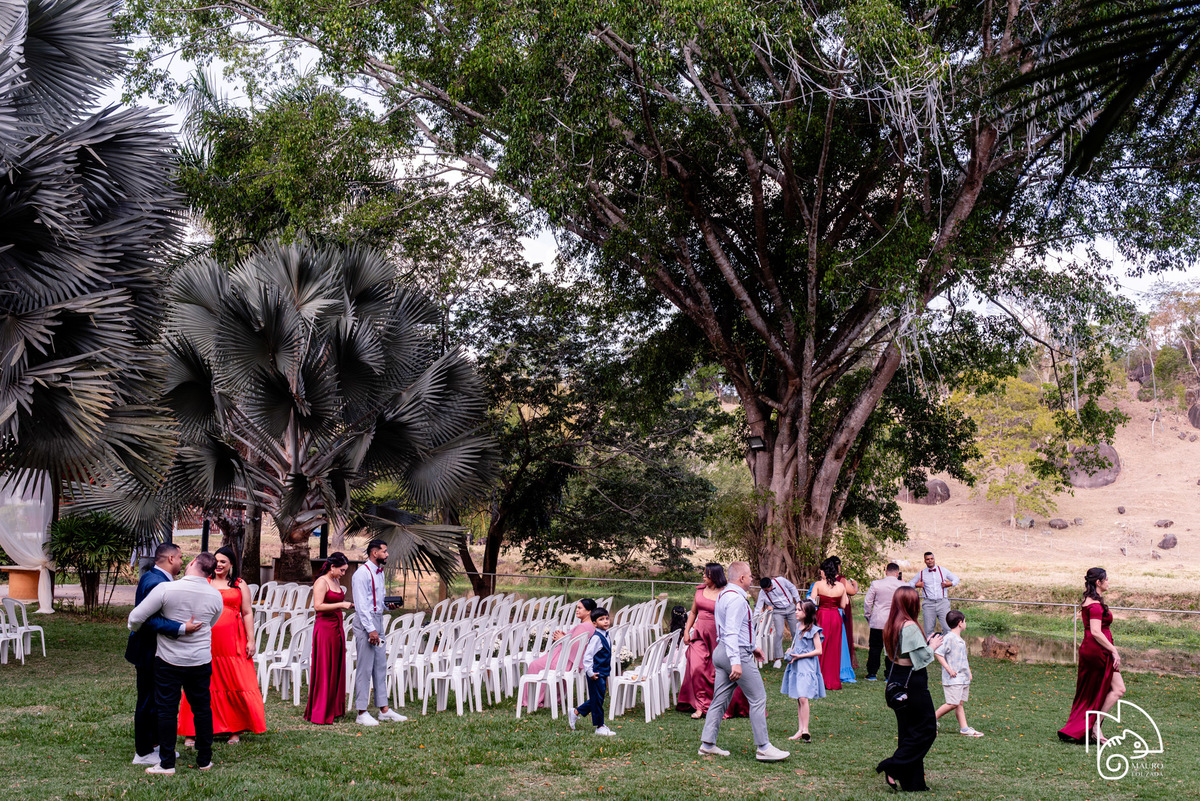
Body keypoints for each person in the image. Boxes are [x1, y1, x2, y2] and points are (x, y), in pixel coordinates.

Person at [127, 552, 224, 775]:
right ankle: (204, 760)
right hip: (200, 660)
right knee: (202, 709)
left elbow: (135, 617)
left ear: (192, 563)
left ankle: (167, 763)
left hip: (169, 661)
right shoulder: (215, 595)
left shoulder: (166, 589)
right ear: (210, 573)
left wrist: (136, 630)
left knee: (167, 710)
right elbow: (212, 622)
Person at [698, 561, 789, 763]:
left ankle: (707, 744)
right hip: (733, 654)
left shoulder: (723, 595)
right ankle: (764, 747)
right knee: (758, 698)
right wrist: (736, 661)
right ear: (741, 578)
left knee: (719, 700)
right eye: (749, 576)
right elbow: (730, 631)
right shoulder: (737, 600)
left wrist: (753, 647)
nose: (751, 579)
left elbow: (733, 629)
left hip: (721, 651)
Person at [179, 546, 266, 746]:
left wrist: (251, 639)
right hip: (206, 639)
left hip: (232, 641)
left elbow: (247, 612)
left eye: (223, 562)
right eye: (216, 561)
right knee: (200, 682)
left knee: (233, 681)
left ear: (232, 565)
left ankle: (234, 729)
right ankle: (192, 731)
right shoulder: (205, 582)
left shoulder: (239, 584)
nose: (219, 565)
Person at [125, 543, 198, 767]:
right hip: (148, 649)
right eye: (179, 558)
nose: (181, 561)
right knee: (147, 700)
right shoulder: (155, 581)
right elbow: (147, 619)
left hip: (156, 650)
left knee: (157, 699)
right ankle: (144, 751)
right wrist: (181, 628)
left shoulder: (159, 578)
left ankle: (156, 745)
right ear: (169, 559)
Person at [876, 586, 943, 792]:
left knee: (908, 731)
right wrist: (933, 645)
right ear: (911, 604)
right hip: (911, 682)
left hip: (896, 677)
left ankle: (913, 783)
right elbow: (921, 659)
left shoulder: (891, 624)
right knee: (927, 729)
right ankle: (893, 766)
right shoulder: (910, 626)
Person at [1059, 567, 1124, 744]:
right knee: (1114, 689)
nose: (1109, 582)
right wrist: (1113, 650)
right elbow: (1096, 631)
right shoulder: (1094, 605)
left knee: (1107, 690)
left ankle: (1094, 725)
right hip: (1097, 650)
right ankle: (1094, 725)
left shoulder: (1091, 601)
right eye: (1107, 579)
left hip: (1095, 649)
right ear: (1098, 582)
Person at [676, 563, 750, 719]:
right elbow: (693, 613)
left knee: (714, 672)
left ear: (715, 576)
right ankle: (700, 706)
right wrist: (686, 631)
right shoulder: (700, 591)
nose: (703, 576)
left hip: (717, 636)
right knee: (696, 667)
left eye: (706, 574)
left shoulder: (726, 593)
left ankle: (718, 705)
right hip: (699, 635)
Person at [351, 539, 406, 725]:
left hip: (378, 620)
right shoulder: (361, 574)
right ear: (375, 553)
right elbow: (361, 606)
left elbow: (376, 601)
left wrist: (387, 606)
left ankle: (384, 709)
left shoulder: (380, 573)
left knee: (381, 666)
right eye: (384, 551)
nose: (387, 554)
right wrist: (370, 629)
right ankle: (361, 712)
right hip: (366, 623)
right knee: (365, 667)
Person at [519, 598, 597, 709]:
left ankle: (531, 700)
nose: (577, 610)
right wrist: (565, 636)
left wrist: (562, 638)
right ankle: (548, 697)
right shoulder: (590, 626)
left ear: (589, 611)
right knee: (538, 664)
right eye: (577, 608)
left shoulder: (583, 626)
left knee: (534, 665)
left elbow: (574, 646)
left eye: (580, 608)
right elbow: (576, 641)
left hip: (564, 661)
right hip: (567, 660)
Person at [305, 552, 353, 724]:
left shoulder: (336, 580)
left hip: (337, 626)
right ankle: (321, 709)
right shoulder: (321, 582)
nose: (343, 573)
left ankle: (334, 707)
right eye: (341, 570)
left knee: (337, 665)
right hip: (325, 628)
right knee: (325, 666)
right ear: (332, 567)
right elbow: (318, 606)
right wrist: (341, 604)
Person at [780, 599, 824, 742]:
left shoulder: (814, 630)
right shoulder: (798, 626)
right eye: (796, 609)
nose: (796, 612)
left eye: (799, 610)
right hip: (796, 665)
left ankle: (806, 729)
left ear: (808, 613)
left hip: (807, 666)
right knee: (799, 698)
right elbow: (798, 645)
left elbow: (819, 651)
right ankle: (800, 729)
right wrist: (791, 651)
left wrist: (801, 655)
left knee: (804, 697)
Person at [933, 610, 983, 737]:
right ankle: (929, 721)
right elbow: (938, 653)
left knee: (959, 703)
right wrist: (948, 669)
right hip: (953, 678)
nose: (965, 623)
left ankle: (964, 729)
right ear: (960, 623)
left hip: (962, 678)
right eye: (965, 621)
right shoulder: (949, 638)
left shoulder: (959, 639)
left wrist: (969, 672)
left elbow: (962, 659)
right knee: (953, 703)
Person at [568, 607, 615, 736]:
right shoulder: (596, 638)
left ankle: (576, 712)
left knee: (598, 699)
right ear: (594, 623)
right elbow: (587, 657)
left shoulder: (606, 634)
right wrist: (590, 672)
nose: (605, 621)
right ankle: (599, 726)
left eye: (606, 618)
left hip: (603, 671)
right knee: (598, 699)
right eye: (601, 619)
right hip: (595, 673)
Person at [809, 559, 848, 690]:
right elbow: (843, 605)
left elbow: (812, 603)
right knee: (833, 648)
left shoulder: (818, 584)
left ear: (824, 571)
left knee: (820, 645)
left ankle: (818, 679)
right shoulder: (841, 586)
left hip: (822, 616)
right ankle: (832, 680)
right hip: (835, 617)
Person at [864, 563, 905, 681]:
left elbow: (867, 602)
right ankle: (889, 674)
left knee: (875, 648)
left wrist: (868, 616)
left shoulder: (876, 584)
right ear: (897, 573)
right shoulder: (902, 585)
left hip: (878, 620)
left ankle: (872, 673)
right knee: (892, 649)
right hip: (895, 621)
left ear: (886, 571)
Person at [755, 574, 801, 668]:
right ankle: (778, 659)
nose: (766, 591)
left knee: (795, 631)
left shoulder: (781, 581)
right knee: (779, 633)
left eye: (767, 590)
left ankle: (797, 655)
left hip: (790, 607)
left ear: (771, 585)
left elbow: (792, 588)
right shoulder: (762, 593)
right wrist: (754, 618)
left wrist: (799, 601)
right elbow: (759, 606)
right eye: (764, 590)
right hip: (778, 611)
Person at [910, 552, 959, 636]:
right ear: (924, 561)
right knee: (928, 630)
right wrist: (916, 585)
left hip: (942, 602)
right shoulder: (921, 573)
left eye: (931, 559)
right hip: (928, 604)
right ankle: (930, 648)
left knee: (948, 628)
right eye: (928, 559)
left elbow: (956, 579)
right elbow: (909, 584)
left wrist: (949, 584)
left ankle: (947, 648)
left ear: (934, 559)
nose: (930, 561)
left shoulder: (943, 570)